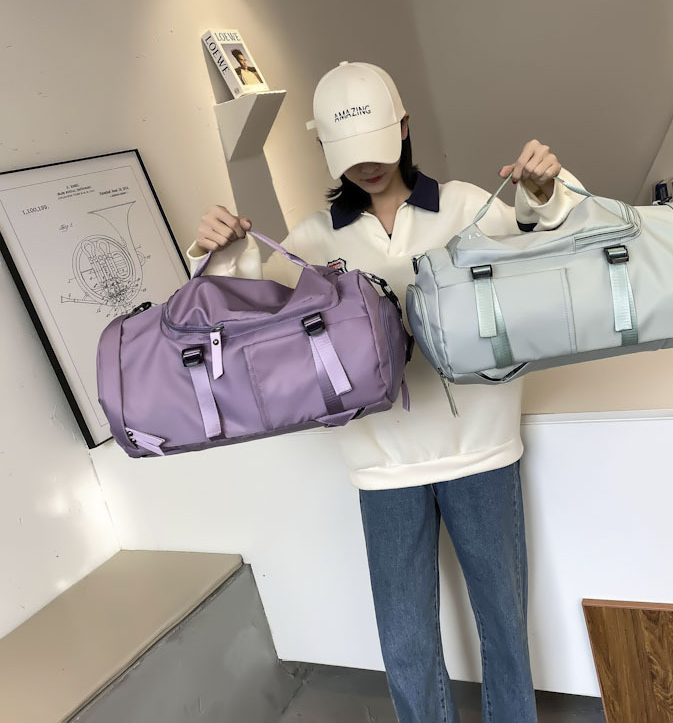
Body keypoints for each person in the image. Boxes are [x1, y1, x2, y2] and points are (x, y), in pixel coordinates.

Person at [189, 61, 585, 723]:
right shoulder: (315, 238)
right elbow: (249, 319)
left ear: (403, 127)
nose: (367, 167)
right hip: (381, 463)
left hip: (482, 447)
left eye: (375, 145)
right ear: (324, 147)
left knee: (504, 628)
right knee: (406, 644)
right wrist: (222, 254)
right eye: (349, 153)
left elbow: (552, 243)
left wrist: (544, 191)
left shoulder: (466, 205)